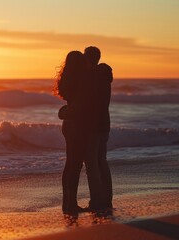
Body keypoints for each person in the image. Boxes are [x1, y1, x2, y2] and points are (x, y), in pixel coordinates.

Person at [54, 51, 94, 214]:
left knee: (69, 163)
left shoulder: (66, 80)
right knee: (75, 165)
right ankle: (72, 204)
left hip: (68, 124)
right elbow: (83, 104)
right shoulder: (83, 80)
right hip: (78, 124)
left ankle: (67, 203)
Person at [84, 46, 113, 210]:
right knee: (101, 161)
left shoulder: (93, 76)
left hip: (93, 125)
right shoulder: (104, 75)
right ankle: (106, 199)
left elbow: (90, 103)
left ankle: (96, 200)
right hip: (104, 122)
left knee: (92, 163)